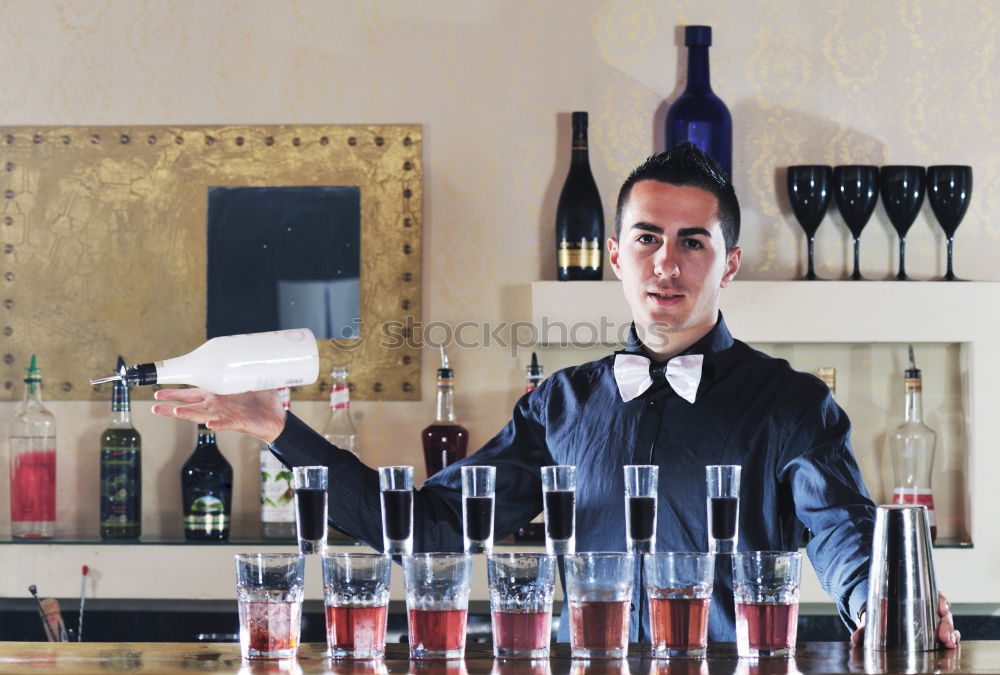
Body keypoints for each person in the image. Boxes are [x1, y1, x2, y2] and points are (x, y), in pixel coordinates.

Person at [152, 143, 958, 647]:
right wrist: (281, 429)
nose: (666, 265)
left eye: (692, 242)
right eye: (646, 239)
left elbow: (847, 538)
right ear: (615, 254)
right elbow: (431, 527)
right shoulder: (560, 406)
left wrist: (889, 601)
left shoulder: (790, 405)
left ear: (730, 262)